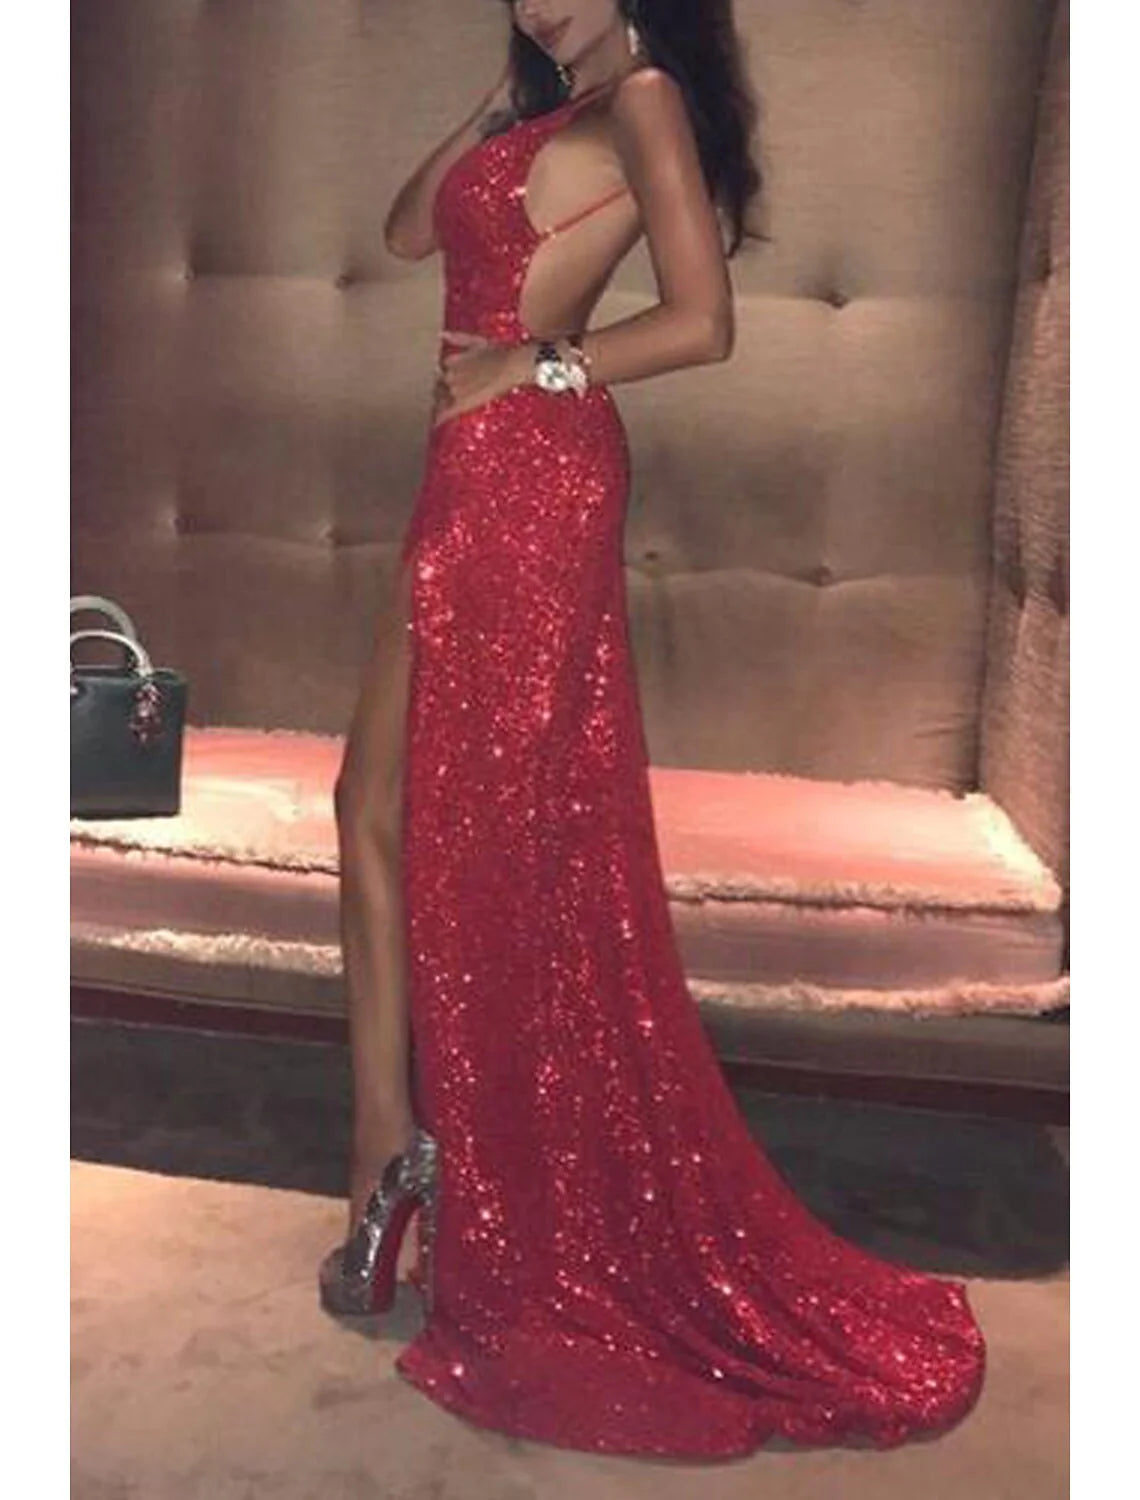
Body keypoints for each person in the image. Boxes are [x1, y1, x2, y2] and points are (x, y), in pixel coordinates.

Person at [318, 0, 986, 1459]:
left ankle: (444, 1171)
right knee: (367, 804)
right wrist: (503, 98)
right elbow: (404, 234)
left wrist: (540, 364)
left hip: (531, 475)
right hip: (466, 474)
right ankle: (388, 1147)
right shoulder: (553, 111)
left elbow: (704, 320)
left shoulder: (652, 102)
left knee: (482, 843)